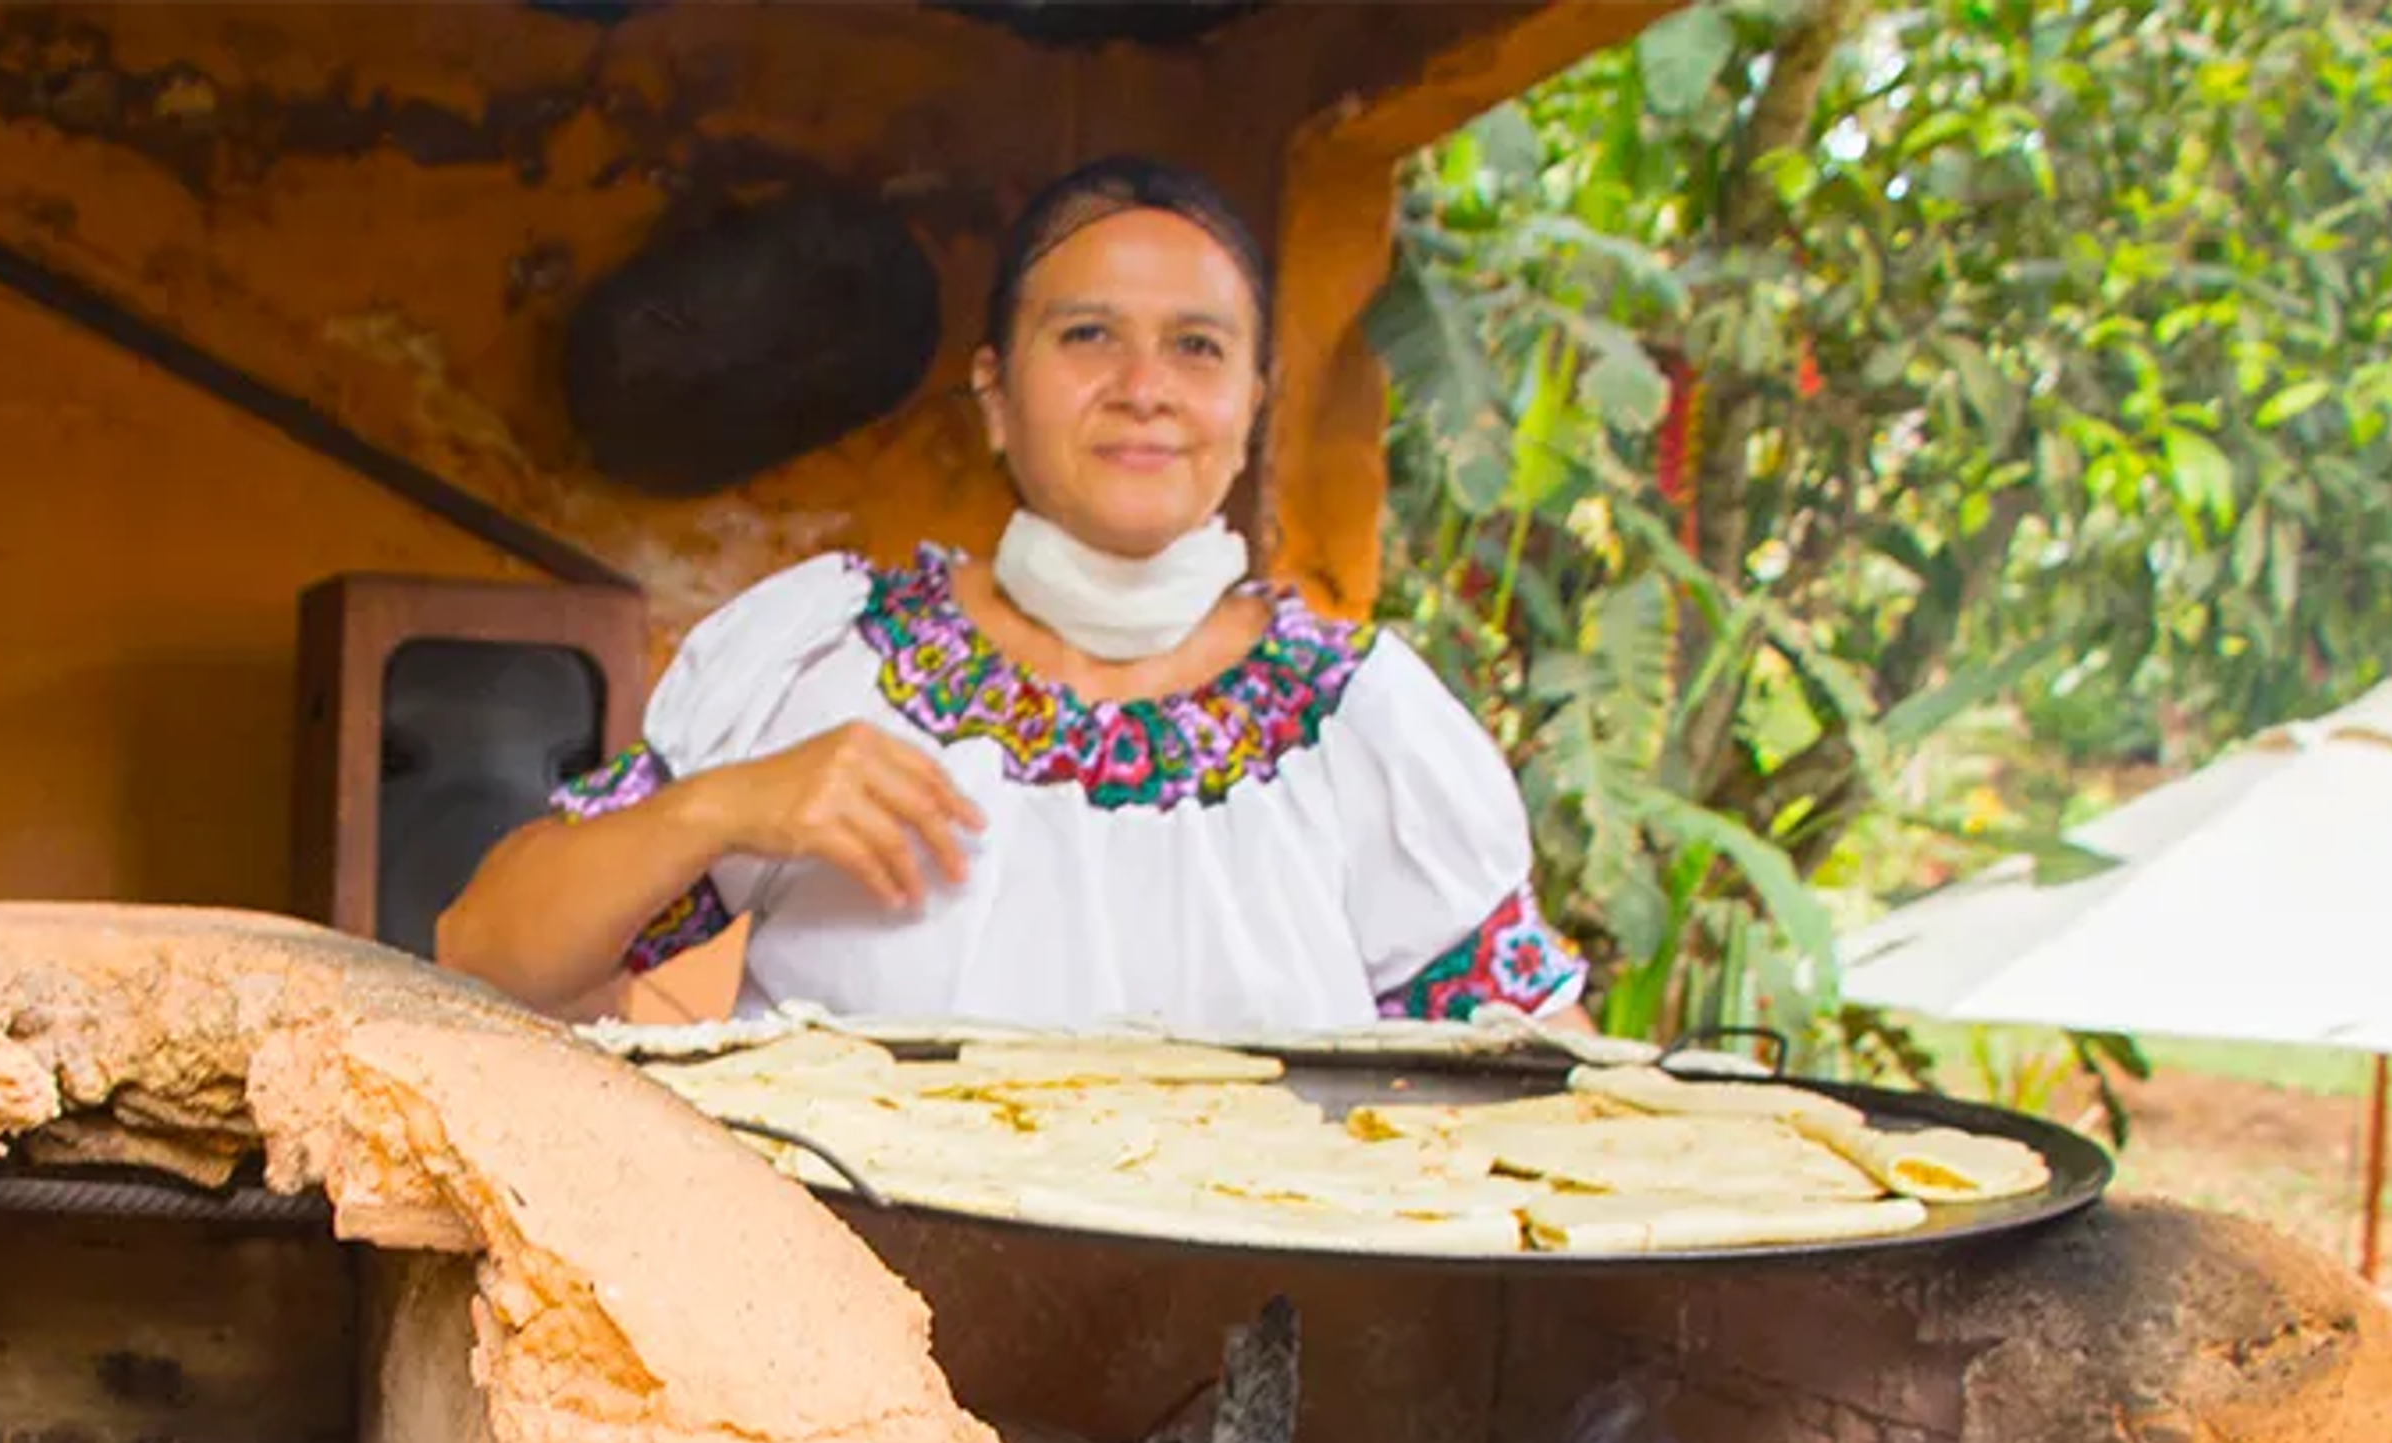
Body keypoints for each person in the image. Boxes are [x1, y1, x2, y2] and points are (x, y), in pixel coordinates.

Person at [435, 156, 1585, 1039]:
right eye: (1087, 336)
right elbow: (484, 956)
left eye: (1196, 347)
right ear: (993, 393)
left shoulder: (1362, 722)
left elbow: (1548, 1085)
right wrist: (719, 809)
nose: (1145, 391)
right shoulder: (830, 662)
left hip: (1262, 1347)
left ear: (1251, 402)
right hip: (851, 1333)